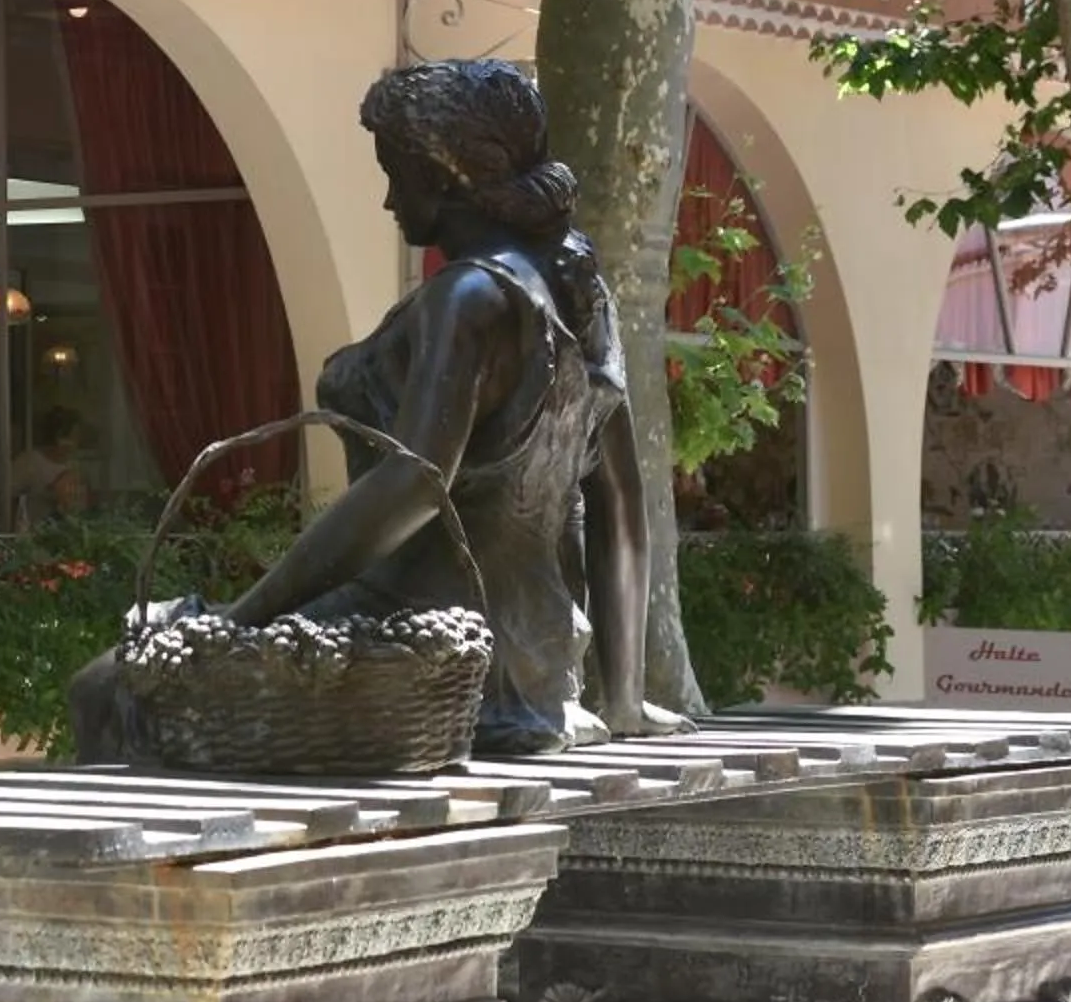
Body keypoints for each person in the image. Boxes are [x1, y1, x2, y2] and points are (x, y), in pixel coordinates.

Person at [75, 58, 679, 759]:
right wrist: (624, 698)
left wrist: (243, 620)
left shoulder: (468, 299)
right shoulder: (582, 296)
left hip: (421, 649)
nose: (390, 201)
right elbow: (622, 503)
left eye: (395, 172)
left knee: (109, 692)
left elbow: (412, 485)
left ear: (441, 175)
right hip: (531, 671)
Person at [8, 406, 91, 527]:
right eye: (72, 436)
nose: (75, 442)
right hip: (35, 533)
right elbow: (9, 497)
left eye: (77, 437)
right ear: (57, 437)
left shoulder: (76, 464)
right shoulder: (30, 461)